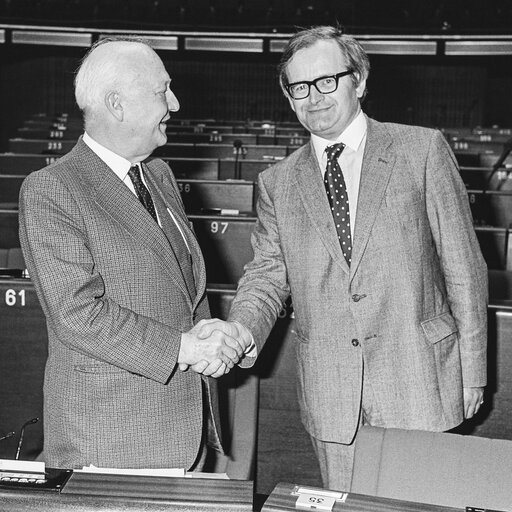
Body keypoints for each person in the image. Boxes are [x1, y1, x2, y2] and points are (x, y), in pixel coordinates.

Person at [198, 26, 488, 490]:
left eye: (327, 80)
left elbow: (465, 270)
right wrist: (240, 329)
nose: (314, 97)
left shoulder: (421, 150)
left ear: (360, 80)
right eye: (300, 87)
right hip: (332, 396)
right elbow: (268, 277)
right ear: (288, 96)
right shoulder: (277, 182)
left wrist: (472, 372)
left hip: (420, 380)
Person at [18, 37, 244, 470]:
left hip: (184, 429)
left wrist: (213, 339)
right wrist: (186, 348)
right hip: (110, 439)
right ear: (117, 105)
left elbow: (181, 290)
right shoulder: (52, 190)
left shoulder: (158, 174)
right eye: (162, 91)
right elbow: (78, 315)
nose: (174, 104)